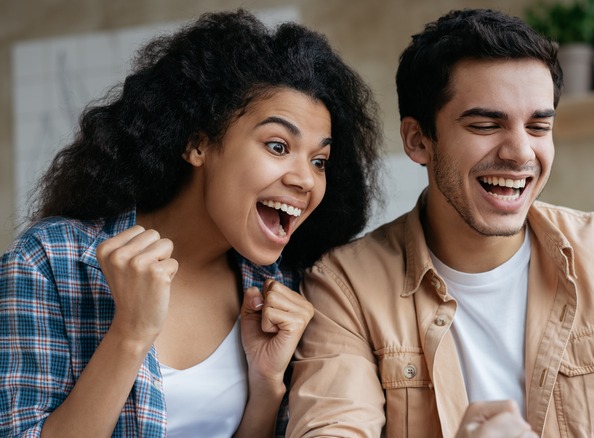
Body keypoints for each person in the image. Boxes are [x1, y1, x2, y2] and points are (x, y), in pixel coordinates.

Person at [287, 8, 594, 438]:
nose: (519, 153)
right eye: (485, 124)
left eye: (537, 126)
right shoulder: (345, 286)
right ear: (418, 140)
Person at [0, 9, 381, 438]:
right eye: (278, 146)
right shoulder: (51, 261)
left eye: (319, 161)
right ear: (198, 144)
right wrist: (131, 332)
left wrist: (265, 386)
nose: (305, 179)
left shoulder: (281, 288)